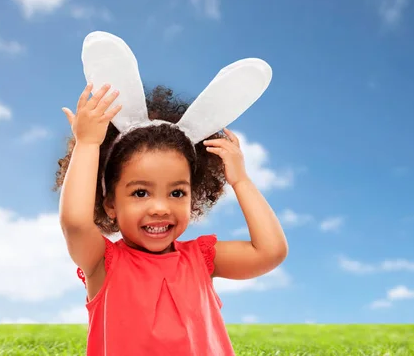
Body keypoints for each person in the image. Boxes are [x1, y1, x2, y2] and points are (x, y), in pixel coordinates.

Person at [54, 31, 288, 356]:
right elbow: (76, 223)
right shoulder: (103, 263)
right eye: (139, 193)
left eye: (177, 193)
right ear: (110, 204)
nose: (161, 207)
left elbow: (270, 252)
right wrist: (88, 143)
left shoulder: (200, 259)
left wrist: (242, 182)